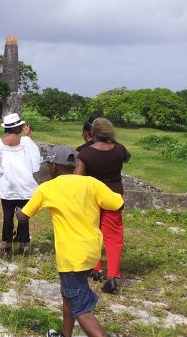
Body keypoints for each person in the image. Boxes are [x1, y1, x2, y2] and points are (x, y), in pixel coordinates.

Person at [15, 145, 124, 337]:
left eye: (49, 165)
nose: (48, 168)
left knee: (81, 309)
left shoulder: (47, 188)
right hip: (91, 252)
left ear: (55, 167)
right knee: (69, 295)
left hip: (71, 257)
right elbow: (117, 203)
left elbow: (24, 217)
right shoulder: (91, 183)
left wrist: (17, 212)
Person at [74, 118, 131, 294]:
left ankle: (96, 269)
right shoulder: (119, 149)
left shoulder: (85, 154)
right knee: (113, 238)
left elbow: (77, 178)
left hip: (93, 198)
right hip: (114, 196)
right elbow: (126, 158)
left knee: (93, 232)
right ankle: (113, 276)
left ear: (92, 133)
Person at [0, 112, 41, 254]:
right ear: (17, 127)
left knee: (7, 216)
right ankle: (23, 243)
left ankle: (7, 243)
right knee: (23, 216)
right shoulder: (25, 142)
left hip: (7, 186)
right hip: (25, 186)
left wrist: (6, 173)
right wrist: (29, 135)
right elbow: (35, 157)